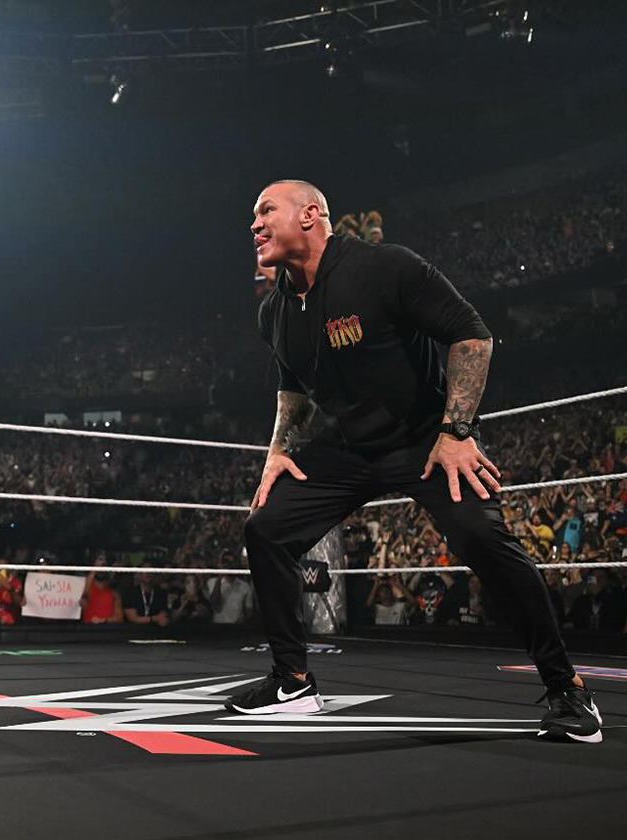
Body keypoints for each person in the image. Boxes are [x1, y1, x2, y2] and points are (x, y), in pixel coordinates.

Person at [229, 179, 601, 743]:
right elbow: (293, 385)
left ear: (310, 214)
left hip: (425, 437)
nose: (254, 224)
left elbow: (471, 336)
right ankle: (292, 681)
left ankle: (567, 687)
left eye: (265, 211)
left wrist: (456, 431)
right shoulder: (274, 311)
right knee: (265, 528)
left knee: (483, 538)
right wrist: (278, 450)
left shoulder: (384, 267)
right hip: (347, 446)